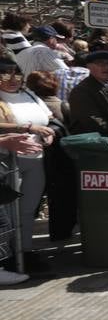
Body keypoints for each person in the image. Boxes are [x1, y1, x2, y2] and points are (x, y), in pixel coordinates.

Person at [0, 60, 55, 270]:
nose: (12, 79)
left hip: (35, 159)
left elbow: (48, 120)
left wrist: (49, 134)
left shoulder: (31, 95)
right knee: (7, 212)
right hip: (7, 160)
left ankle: (26, 251)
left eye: (16, 74)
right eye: (5, 74)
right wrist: (28, 127)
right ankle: (8, 257)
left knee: (28, 209)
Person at [66, 50, 108, 136]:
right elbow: (94, 122)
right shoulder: (81, 91)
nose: (106, 67)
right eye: (100, 64)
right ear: (89, 66)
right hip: (93, 141)